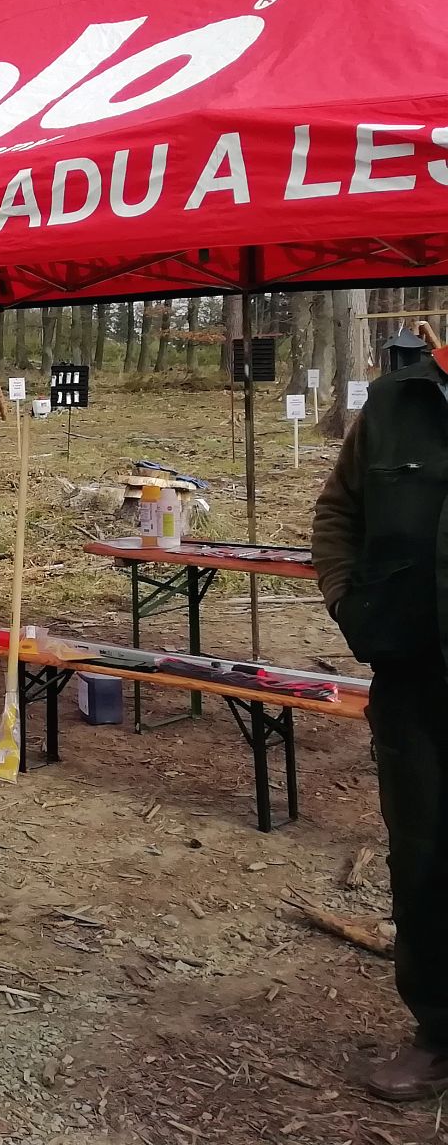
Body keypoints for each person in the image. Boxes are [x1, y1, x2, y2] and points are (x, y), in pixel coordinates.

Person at [312, 343, 448, 1102]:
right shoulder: (395, 402)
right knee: (423, 859)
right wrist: (350, 604)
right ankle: (438, 1033)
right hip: (415, 679)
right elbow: (340, 511)